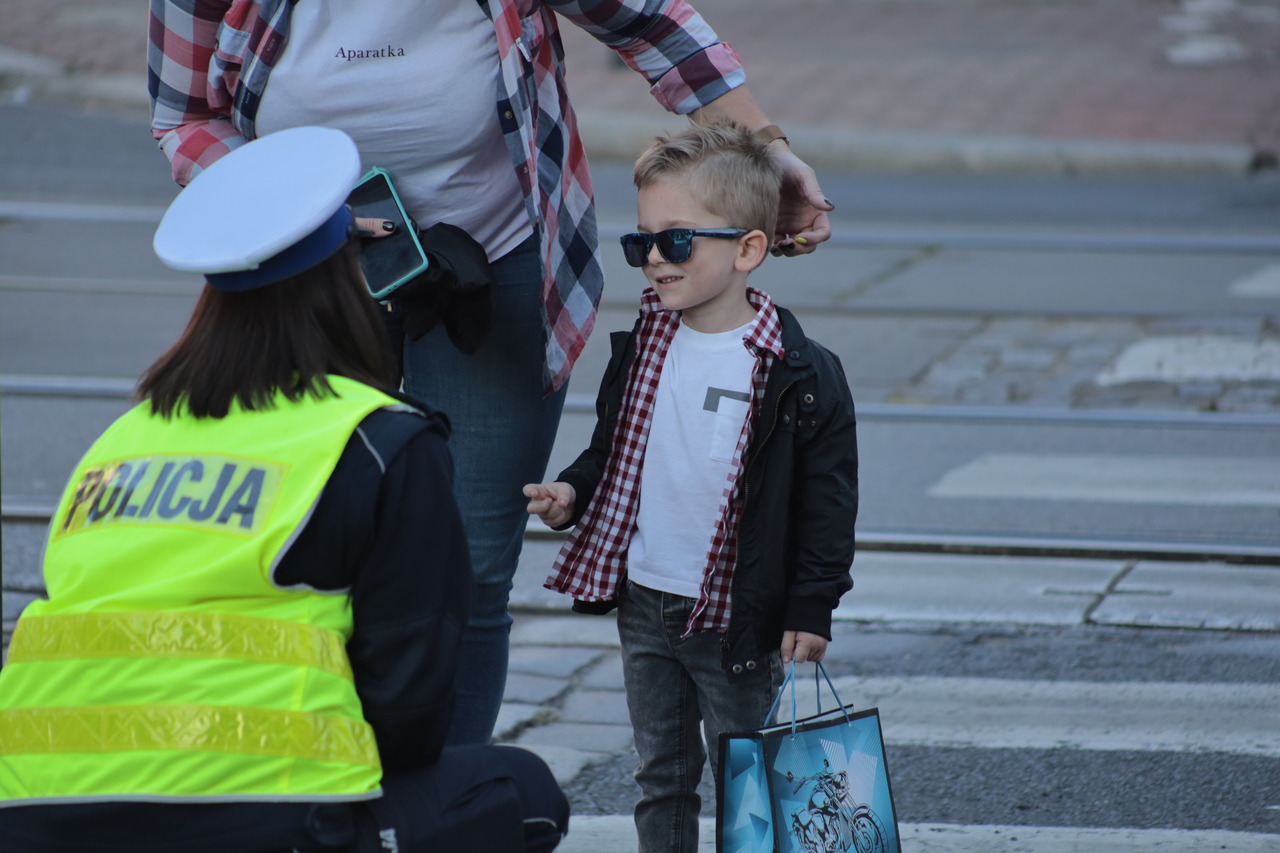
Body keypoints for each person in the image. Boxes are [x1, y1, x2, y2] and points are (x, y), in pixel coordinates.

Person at [148, 0, 837, 746]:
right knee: (292, 548)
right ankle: (309, 787)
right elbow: (184, 118)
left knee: (468, 568)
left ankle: (445, 801)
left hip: (492, 256)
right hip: (302, 268)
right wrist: (308, 213)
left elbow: (650, 22)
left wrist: (768, 149)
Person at [0, 127, 568, 853]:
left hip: (35, 815)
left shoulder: (122, 438)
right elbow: (414, 711)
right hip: (270, 816)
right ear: (347, 283)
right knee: (521, 791)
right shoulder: (377, 438)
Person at [523, 122, 858, 853]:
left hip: (736, 611)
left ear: (747, 249)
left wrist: (812, 603)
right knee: (661, 774)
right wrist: (574, 494)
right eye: (640, 241)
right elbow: (614, 448)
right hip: (645, 598)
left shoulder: (797, 370)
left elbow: (827, 503)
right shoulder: (647, 341)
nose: (652, 259)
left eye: (676, 242)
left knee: (751, 777)